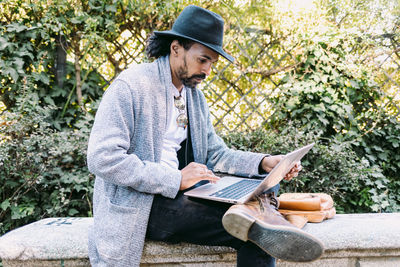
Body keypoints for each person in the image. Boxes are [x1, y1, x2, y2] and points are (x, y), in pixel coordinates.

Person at [87, 5, 323, 267]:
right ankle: (264, 220)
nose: (208, 70)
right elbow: (102, 158)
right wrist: (176, 179)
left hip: (187, 193)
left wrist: (265, 162)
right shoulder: (132, 86)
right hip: (144, 205)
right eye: (203, 59)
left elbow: (215, 154)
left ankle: (262, 214)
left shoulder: (193, 96)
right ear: (176, 48)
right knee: (254, 234)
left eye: (212, 62)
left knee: (265, 180)